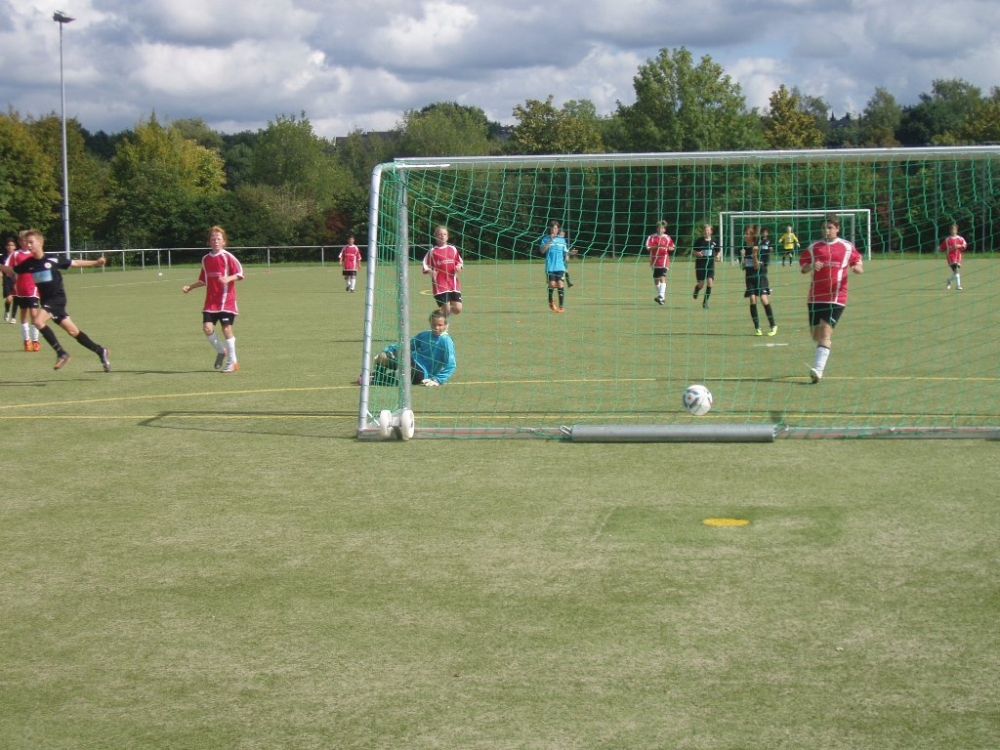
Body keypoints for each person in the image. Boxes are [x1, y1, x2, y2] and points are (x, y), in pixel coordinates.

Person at [0, 229, 110, 371]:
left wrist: (95, 263)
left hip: (57, 299)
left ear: (41, 242)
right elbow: (12, 271)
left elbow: (74, 263)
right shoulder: (29, 263)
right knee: (73, 331)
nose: (28, 245)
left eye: (31, 242)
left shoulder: (52, 259)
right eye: (27, 243)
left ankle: (61, 353)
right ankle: (100, 351)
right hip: (47, 301)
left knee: (38, 321)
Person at [800, 216, 864, 383]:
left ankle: (818, 370)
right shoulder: (814, 247)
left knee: (825, 332)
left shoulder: (846, 247)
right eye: (824, 228)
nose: (826, 230)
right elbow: (803, 268)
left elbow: (857, 262)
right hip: (815, 296)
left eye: (829, 227)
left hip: (836, 296)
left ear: (837, 228)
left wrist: (857, 268)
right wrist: (812, 265)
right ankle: (820, 357)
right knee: (816, 335)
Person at [182, 225, 244, 373]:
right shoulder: (205, 259)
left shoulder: (228, 256)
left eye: (219, 239)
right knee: (207, 328)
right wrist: (190, 287)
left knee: (226, 329)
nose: (216, 241)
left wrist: (228, 278)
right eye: (213, 239)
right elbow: (203, 280)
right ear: (209, 242)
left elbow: (240, 273)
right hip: (211, 301)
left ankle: (232, 362)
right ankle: (221, 351)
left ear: (224, 242)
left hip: (226, 300)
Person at [370, 310, 456, 387]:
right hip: (411, 360)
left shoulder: (446, 341)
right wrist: (387, 350)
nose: (436, 328)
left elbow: (451, 364)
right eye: (434, 324)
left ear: (445, 325)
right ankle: (377, 375)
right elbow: (407, 345)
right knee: (383, 356)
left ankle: (375, 380)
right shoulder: (425, 335)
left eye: (440, 325)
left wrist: (438, 380)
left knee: (406, 373)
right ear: (430, 323)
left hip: (422, 372)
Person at [4, 232, 40, 350]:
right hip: (20, 289)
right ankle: (26, 340)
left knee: (34, 314)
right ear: (20, 242)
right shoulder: (15, 255)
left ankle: (35, 340)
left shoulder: (34, 254)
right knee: (23, 314)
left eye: (29, 241)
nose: (27, 243)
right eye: (25, 241)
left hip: (33, 288)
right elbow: (7, 268)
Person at [741, 224, 777, 336]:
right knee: (752, 299)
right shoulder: (743, 247)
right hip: (749, 276)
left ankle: (773, 325)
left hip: (760, 275)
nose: (745, 235)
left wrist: (755, 255)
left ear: (752, 235)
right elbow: (743, 266)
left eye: (747, 234)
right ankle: (757, 327)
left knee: (763, 299)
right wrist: (742, 257)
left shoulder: (758, 247)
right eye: (745, 233)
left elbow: (756, 267)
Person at [422, 225, 463, 317]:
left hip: (453, 284)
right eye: (440, 234)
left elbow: (459, 262)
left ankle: (438, 315)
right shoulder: (433, 251)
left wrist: (459, 267)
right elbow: (425, 264)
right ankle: (442, 324)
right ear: (435, 236)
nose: (442, 236)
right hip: (440, 285)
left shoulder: (453, 249)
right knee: (447, 309)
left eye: (444, 234)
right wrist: (430, 271)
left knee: (458, 309)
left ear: (447, 236)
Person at [539, 220, 569, 312]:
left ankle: (561, 306)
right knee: (552, 284)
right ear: (550, 229)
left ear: (557, 229)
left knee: (560, 284)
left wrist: (568, 256)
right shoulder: (545, 239)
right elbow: (542, 251)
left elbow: (565, 252)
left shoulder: (562, 240)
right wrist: (550, 241)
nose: (554, 229)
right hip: (550, 266)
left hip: (560, 266)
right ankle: (550, 301)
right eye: (552, 228)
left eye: (555, 228)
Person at [691, 223, 721, 309]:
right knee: (701, 284)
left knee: (710, 282)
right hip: (700, 265)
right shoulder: (699, 241)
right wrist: (698, 253)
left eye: (708, 230)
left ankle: (705, 302)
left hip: (710, 265)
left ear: (711, 231)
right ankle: (697, 289)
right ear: (703, 231)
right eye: (705, 230)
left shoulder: (715, 241)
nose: (706, 231)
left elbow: (718, 251)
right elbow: (694, 252)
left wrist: (718, 256)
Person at [646, 221, 675, 305]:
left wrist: (670, 248)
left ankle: (661, 296)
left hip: (664, 260)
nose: (660, 229)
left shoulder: (667, 237)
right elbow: (648, 248)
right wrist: (656, 246)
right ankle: (661, 298)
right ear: (657, 228)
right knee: (656, 280)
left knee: (662, 277)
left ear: (664, 229)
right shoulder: (652, 237)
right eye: (659, 228)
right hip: (654, 261)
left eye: (662, 228)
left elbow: (672, 247)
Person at [941, 223, 967, 290]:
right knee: (956, 270)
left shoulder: (960, 238)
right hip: (951, 257)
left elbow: (965, 245)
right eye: (952, 229)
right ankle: (958, 286)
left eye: (955, 229)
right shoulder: (947, 240)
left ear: (957, 230)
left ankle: (949, 280)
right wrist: (941, 249)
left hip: (958, 257)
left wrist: (959, 246)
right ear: (950, 230)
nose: (953, 231)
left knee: (955, 272)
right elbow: (941, 248)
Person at [2, 234, 18, 324]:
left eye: (12, 245)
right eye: (8, 245)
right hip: (7, 279)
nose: (10, 247)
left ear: (15, 246)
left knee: (16, 298)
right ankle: (7, 310)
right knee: (9, 299)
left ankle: (13, 317)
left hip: (16, 279)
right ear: (6, 246)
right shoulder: (2, 257)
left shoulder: (17, 256)